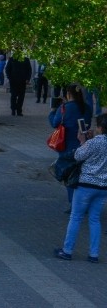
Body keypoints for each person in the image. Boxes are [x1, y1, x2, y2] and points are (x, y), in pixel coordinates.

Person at [55, 113, 107, 263]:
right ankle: (94, 254)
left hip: (86, 184)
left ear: (100, 127)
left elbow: (78, 156)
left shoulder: (93, 142)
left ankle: (67, 250)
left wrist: (83, 141)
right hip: (103, 186)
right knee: (95, 219)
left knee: (76, 217)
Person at [50, 84, 93, 211]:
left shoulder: (64, 108)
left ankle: (74, 204)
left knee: (69, 175)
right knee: (82, 175)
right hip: (83, 144)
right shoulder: (86, 107)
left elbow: (54, 123)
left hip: (67, 146)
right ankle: (84, 202)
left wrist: (52, 110)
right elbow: (87, 124)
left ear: (68, 94)